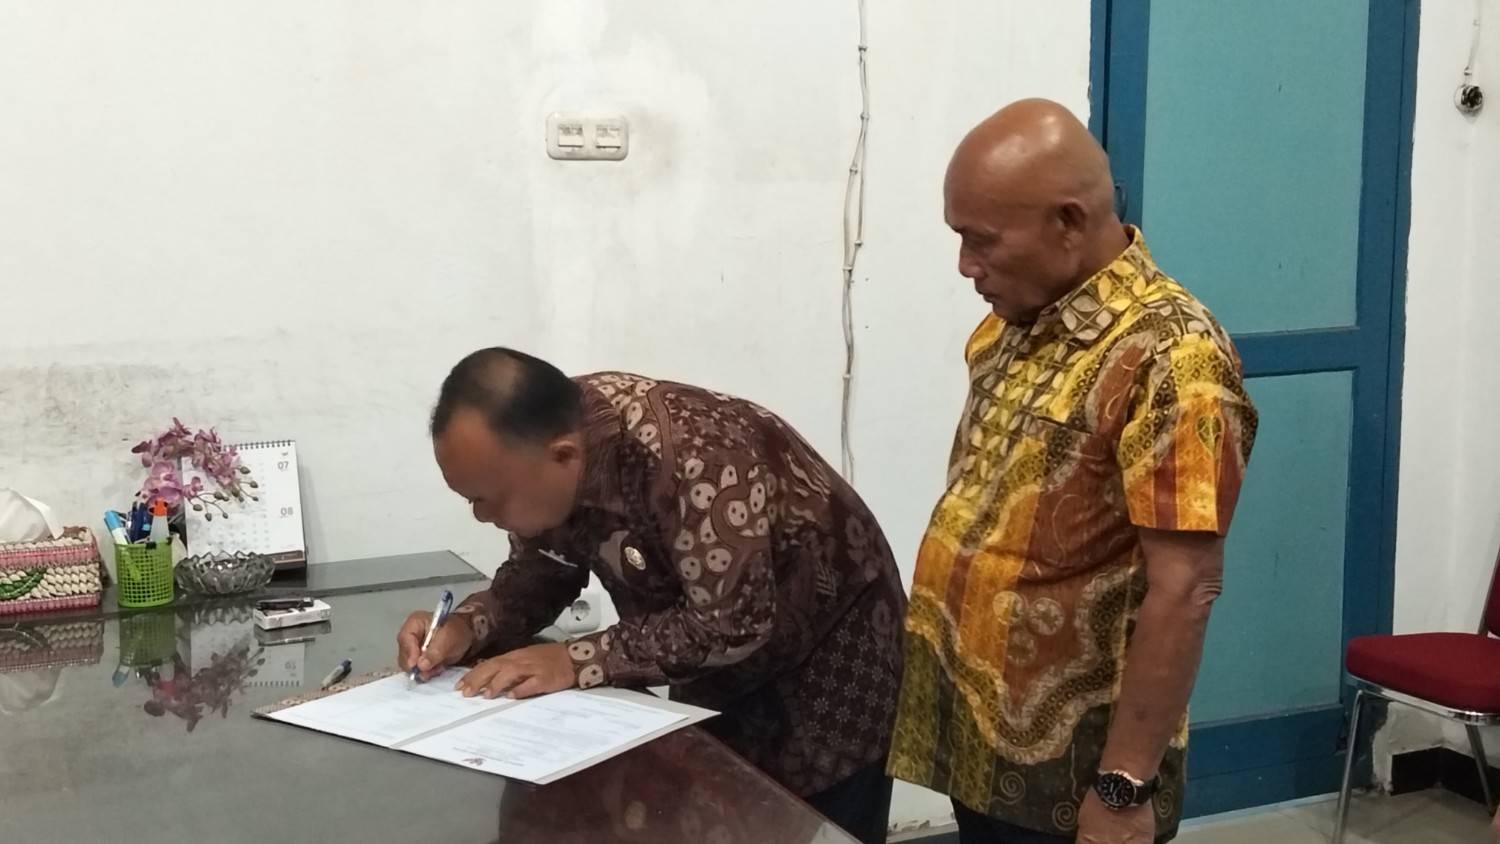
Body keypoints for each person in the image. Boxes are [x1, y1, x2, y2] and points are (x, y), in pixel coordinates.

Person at [887, 99, 1258, 843]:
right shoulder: (1013, 323)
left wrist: (1122, 790)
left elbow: (1186, 588)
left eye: (981, 241)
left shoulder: (1173, 357)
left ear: (1068, 222)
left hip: (1072, 779)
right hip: (979, 748)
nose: (965, 265)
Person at [396, 348, 906, 844]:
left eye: (488, 499)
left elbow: (730, 623)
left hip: (830, 668)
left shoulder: (695, 456)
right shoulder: (548, 446)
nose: (482, 517)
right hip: (720, 679)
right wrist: (467, 626)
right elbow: (542, 572)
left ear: (564, 456)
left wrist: (576, 659)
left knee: (812, 826)